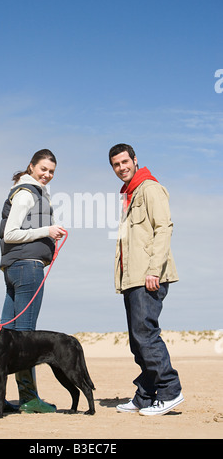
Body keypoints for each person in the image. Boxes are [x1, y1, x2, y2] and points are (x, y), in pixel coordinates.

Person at [109, 143, 184, 416]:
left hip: (149, 276)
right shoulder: (129, 195)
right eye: (116, 165)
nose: (121, 168)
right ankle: (145, 395)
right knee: (137, 340)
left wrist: (153, 270)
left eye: (125, 162)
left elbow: (164, 228)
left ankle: (170, 391)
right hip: (133, 279)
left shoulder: (150, 188)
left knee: (146, 336)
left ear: (135, 160)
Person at [0, 149, 66, 414]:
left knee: (5, 336)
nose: (47, 175)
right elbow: (10, 233)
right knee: (25, 337)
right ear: (32, 166)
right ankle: (29, 399)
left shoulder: (28, 190)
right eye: (43, 169)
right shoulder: (26, 193)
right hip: (27, 269)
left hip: (14, 268)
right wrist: (47, 231)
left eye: (51, 172)